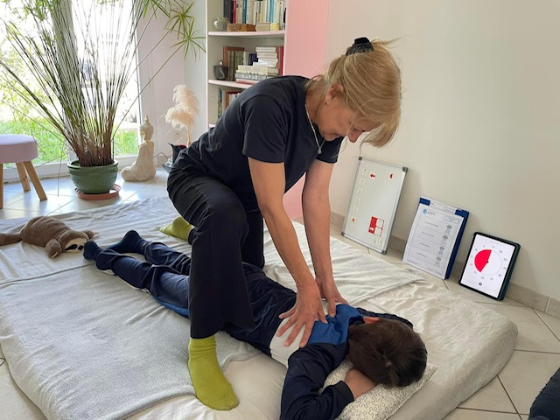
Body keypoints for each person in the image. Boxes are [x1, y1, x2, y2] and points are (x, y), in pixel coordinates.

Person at [167, 36, 402, 409]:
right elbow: (272, 207)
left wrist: (326, 282)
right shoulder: (270, 106)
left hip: (240, 202)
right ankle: (200, 345)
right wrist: (305, 285)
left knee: (247, 276)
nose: (353, 137)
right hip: (195, 179)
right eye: (354, 125)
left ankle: (197, 232)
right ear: (333, 93)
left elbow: (316, 200)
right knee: (224, 218)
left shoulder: (329, 125)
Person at [83, 232, 427, 419]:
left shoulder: (350, 312)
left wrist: (389, 336)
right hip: (222, 305)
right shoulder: (317, 357)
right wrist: (349, 388)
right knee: (156, 280)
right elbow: (298, 414)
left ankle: (140, 243)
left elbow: (402, 323)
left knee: (185, 264)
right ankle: (105, 257)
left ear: (372, 321)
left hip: (246, 277)